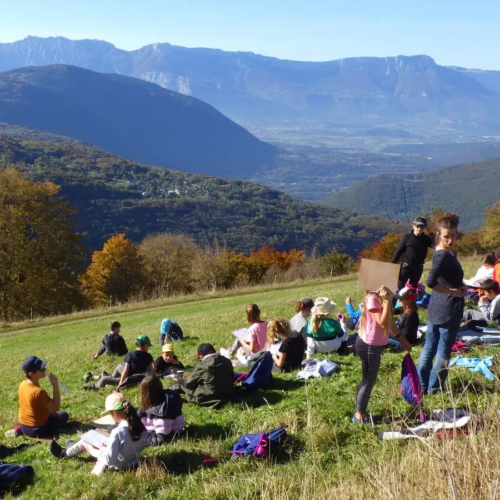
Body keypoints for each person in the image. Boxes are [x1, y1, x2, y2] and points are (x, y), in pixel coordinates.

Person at [417, 213, 466, 395]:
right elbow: (430, 281)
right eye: (446, 236)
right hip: (447, 309)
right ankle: (433, 388)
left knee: (429, 347)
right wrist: (452, 292)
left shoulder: (443, 251)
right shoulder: (442, 256)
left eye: (453, 235)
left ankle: (421, 386)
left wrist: (461, 286)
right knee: (442, 351)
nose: (451, 240)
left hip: (437, 307)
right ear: (438, 234)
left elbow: (445, 279)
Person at [353, 288, 412, 425]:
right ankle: (359, 415)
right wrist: (386, 301)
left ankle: (359, 411)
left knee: (366, 379)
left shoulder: (381, 297)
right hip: (368, 345)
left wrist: (400, 338)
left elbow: (389, 321)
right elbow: (381, 322)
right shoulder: (373, 299)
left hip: (374, 344)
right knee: (369, 381)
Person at [49, 393, 147, 471]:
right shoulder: (139, 425)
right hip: (134, 461)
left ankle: (64, 453)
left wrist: (102, 449)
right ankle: (71, 447)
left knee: (85, 442)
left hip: (119, 465)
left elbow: (109, 460)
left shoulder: (117, 432)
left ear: (113, 412)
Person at [17, 356, 68, 438]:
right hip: (36, 429)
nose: (45, 370)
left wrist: (48, 413)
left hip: (23, 424)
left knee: (54, 414)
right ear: (31, 374)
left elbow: (34, 406)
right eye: (41, 369)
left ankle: (18, 429)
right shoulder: (38, 391)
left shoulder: (23, 384)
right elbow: (56, 407)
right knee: (64, 415)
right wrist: (55, 385)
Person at [84, 335, 155, 391]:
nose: (148, 348)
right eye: (148, 346)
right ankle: (105, 377)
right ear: (145, 345)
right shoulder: (149, 356)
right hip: (136, 378)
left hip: (128, 379)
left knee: (105, 379)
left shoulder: (130, 354)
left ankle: (95, 386)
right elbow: (153, 369)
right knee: (119, 367)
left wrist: (120, 386)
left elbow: (125, 370)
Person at [177, 344, 234, 409]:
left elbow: (189, 383)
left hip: (211, 398)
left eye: (200, 357)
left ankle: (166, 396)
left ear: (201, 355)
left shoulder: (203, 366)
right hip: (228, 394)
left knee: (180, 382)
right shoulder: (227, 361)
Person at [139, 376, 184, 446]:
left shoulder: (162, 414)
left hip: (166, 433)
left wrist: (141, 441)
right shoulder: (156, 403)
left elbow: (161, 440)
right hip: (156, 431)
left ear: (146, 394)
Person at [391, 216, 434, 290]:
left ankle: (410, 301)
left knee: (413, 290)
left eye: (422, 226)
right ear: (413, 226)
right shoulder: (407, 238)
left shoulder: (426, 239)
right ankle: (395, 301)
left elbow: (435, 246)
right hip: (405, 268)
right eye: (418, 226)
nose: (419, 228)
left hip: (418, 268)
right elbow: (398, 252)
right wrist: (391, 265)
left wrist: (433, 236)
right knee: (399, 289)